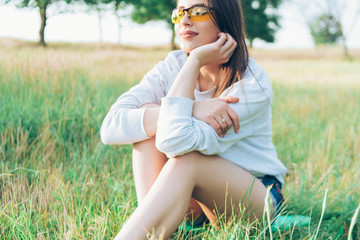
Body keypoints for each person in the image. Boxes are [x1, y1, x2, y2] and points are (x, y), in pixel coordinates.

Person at [100, 0, 287, 239]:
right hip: (197, 200)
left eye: (198, 11)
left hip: (255, 197)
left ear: (224, 17)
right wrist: (195, 107)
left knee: (186, 157)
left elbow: (176, 142)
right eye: (179, 13)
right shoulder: (172, 66)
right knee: (146, 132)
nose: (185, 20)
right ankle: (157, 230)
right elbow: (111, 126)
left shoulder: (250, 82)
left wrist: (196, 59)